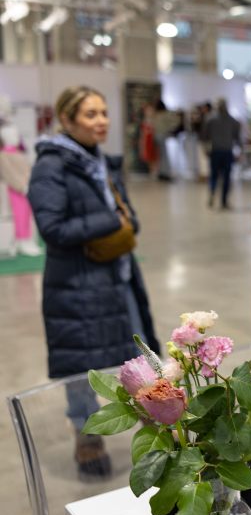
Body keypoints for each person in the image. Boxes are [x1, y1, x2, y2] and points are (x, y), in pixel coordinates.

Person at [28, 85, 159, 477]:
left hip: (117, 274)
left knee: (139, 350)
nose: (101, 121)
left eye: (103, 112)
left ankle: (155, 420)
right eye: (90, 114)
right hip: (77, 282)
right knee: (81, 361)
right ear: (67, 119)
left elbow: (126, 214)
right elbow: (51, 228)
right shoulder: (51, 166)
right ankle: (86, 435)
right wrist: (110, 222)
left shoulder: (101, 162)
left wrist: (126, 223)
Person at [205, 98, 242, 209]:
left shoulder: (212, 120)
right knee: (221, 177)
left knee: (218, 176)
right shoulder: (215, 120)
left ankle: (218, 196)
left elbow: (205, 136)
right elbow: (237, 138)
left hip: (221, 151)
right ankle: (221, 199)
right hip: (222, 151)